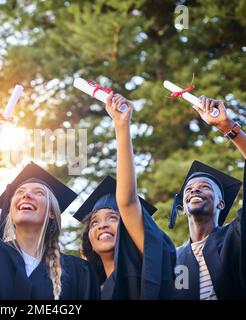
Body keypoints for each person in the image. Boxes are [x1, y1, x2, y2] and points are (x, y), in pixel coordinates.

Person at [0, 84, 100, 299]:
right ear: (11, 208)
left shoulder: (79, 272)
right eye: (20, 191)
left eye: (39, 193)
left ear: (52, 212)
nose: (26, 195)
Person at [73, 92, 176, 299]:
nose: (102, 225)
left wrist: (121, 126)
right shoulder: (89, 291)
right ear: (88, 241)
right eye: (94, 222)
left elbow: (127, 201)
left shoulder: (143, 269)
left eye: (113, 218)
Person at [169, 96, 246, 299]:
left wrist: (229, 128)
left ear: (221, 202)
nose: (194, 190)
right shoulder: (172, 259)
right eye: (189, 189)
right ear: (182, 205)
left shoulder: (237, 236)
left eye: (205, 187)